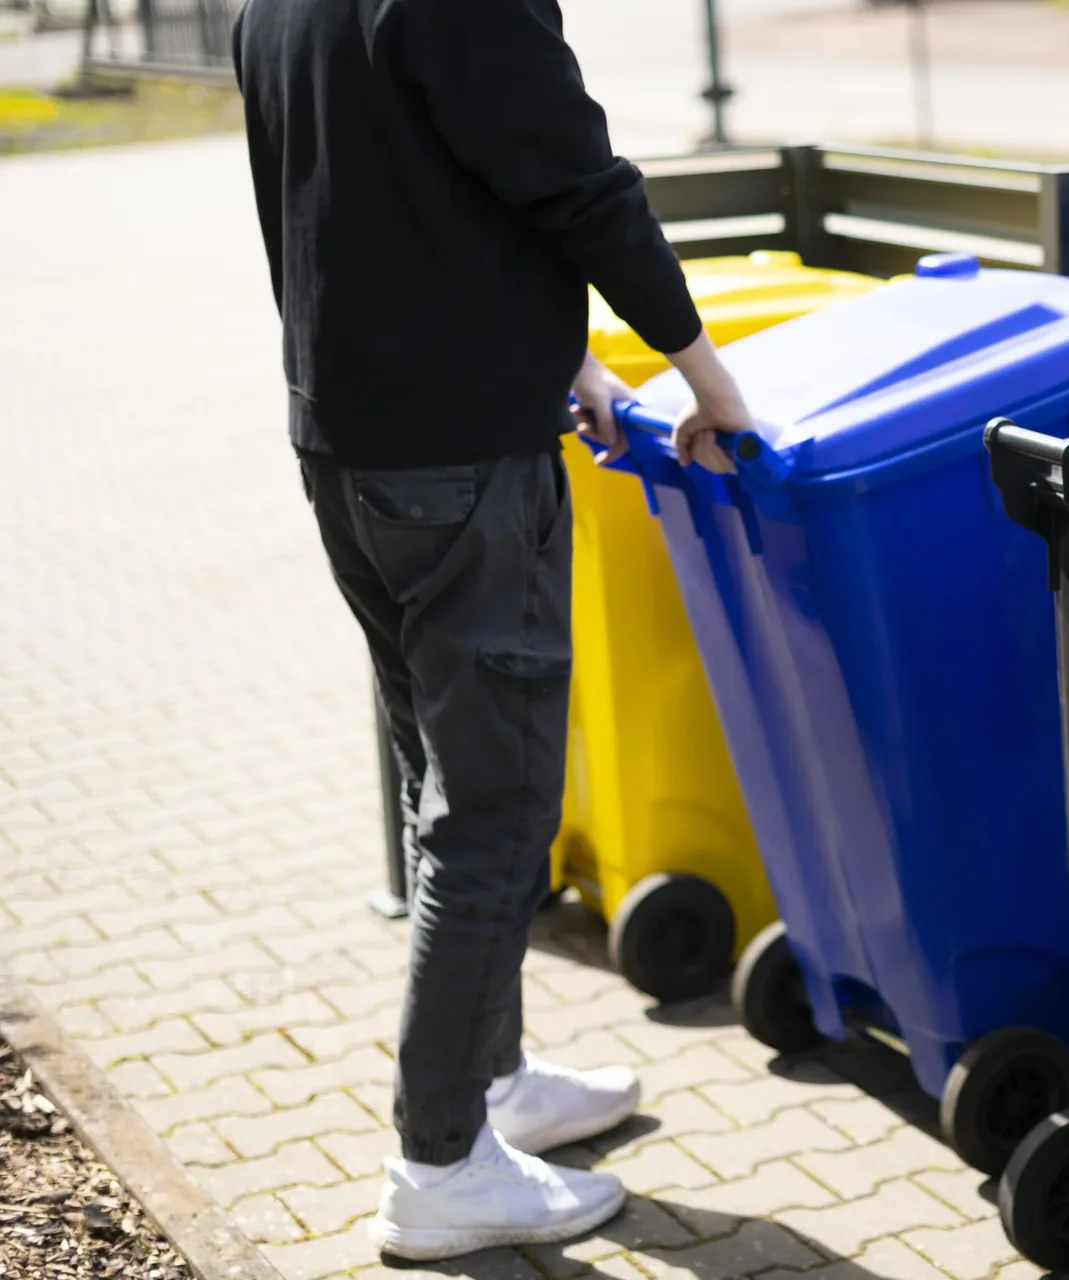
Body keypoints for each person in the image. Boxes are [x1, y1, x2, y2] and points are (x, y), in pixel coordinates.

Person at [232, 0, 750, 1259]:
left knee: (445, 783)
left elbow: (374, 198)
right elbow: (575, 181)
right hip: (459, 465)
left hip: (351, 447)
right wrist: (709, 375)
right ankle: (440, 1162)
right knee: (497, 808)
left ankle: (492, 1082)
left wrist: (556, 357)